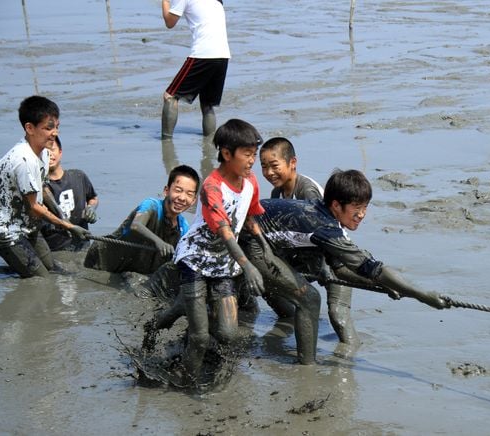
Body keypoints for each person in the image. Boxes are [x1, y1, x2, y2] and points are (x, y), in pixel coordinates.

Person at [240, 169, 450, 363]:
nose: (362, 214)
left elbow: (341, 271)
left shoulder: (323, 216)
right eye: (356, 209)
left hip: (266, 242)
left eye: (365, 207)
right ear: (336, 206)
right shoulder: (323, 226)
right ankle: (307, 369)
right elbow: (370, 267)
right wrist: (422, 295)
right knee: (310, 299)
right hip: (250, 241)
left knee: (302, 290)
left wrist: (384, 287)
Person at [154, 119, 267, 383]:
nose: (252, 161)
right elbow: (225, 230)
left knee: (228, 333)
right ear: (227, 154)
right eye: (247, 154)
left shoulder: (250, 183)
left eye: (254, 154)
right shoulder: (211, 187)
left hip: (223, 263)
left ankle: (183, 309)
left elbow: (249, 217)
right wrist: (247, 265)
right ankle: (189, 381)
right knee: (200, 336)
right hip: (195, 259)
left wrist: (265, 249)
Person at [259, 137, 358, 344]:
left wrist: (323, 267)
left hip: (333, 258)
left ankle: (349, 355)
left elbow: (321, 235)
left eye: (274, 166)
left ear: (292, 162)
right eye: (264, 167)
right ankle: (291, 318)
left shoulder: (306, 190)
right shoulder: (277, 193)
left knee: (338, 316)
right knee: (271, 285)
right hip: (305, 257)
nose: (269, 173)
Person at [0, 96, 90, 278]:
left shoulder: (44, 153)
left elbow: (43, 189)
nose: (55, 133)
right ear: (29, 128)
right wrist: (68, 227)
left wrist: (62, 216)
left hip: (27, 224)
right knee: (41, 280)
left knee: (52, 269)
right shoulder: (23, 160)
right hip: (5, 231)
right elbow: (35, 207)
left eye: (57, 127)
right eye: (48, 128)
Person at [83, 165, 199, 275]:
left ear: (193, 201)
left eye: (189, 194)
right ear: (166, 191)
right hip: (104, 261)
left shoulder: (183, 227)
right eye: (178, 190)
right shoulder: (151, 205)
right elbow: (136, 226)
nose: (182, 198)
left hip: (134, 270)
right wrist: (159, 242)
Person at [161, 0, 230, 139]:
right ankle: (210, 143)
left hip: (203, 54)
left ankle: (166, 142)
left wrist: (165, 1)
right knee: (207, 104)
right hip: (223, 55)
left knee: (170, 96)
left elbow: (170, 22)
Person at [41, 136, 99, 251]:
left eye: (52, 150)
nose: (49, 155)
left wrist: (91, 208)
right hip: (54, 249)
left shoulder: (78, 176)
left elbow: (93, 197)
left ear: (60, 152)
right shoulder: (38, 186)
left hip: (82, 245)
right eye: (44, 152)